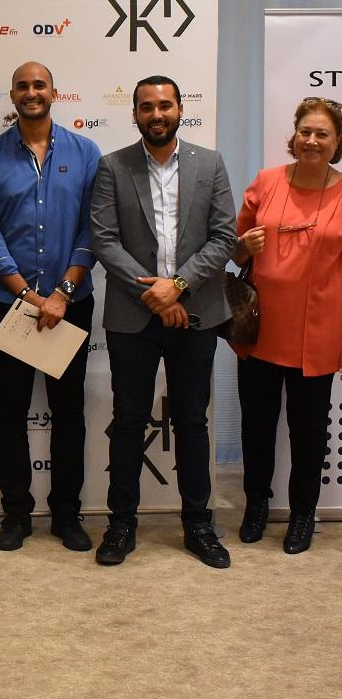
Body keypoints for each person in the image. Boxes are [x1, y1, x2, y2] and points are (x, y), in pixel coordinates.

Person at [90, 75, 236, 568]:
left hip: (196, 312)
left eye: (165, 105)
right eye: (147, 107)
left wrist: (177, 286)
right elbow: (105, 240)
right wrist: (155, 294)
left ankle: (198, 524)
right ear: (134, 113)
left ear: (179, 110)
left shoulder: (210, 164)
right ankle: (121, 524)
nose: (157, 114)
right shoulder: (113, 166)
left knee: (192, 420)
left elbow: (224, 237)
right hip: (133, 316)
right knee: (128, 420)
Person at [0, 62, 100, 553]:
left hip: (72, 304)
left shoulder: (85, 153)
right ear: (12, 95)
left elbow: (93, 228)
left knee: (69, 414)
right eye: (22, 86)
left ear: (53, 92)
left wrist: (62, 292)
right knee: (11, 414)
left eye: (39, 85)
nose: (31, 92)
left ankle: (67, 514)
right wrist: (29, 295)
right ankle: (16, 514)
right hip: (10, 305)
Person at [230, 96, 342, 554]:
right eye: (305, 131)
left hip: (319, 333)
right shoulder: (267, 181)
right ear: (293, 136)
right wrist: (245, 246)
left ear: (337, 141)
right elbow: (232, 249)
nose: (311, 140)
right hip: (260, 328)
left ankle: (302, 515)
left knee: (309, 431)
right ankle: (256, 504)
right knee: (257, 426)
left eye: (322, 134)